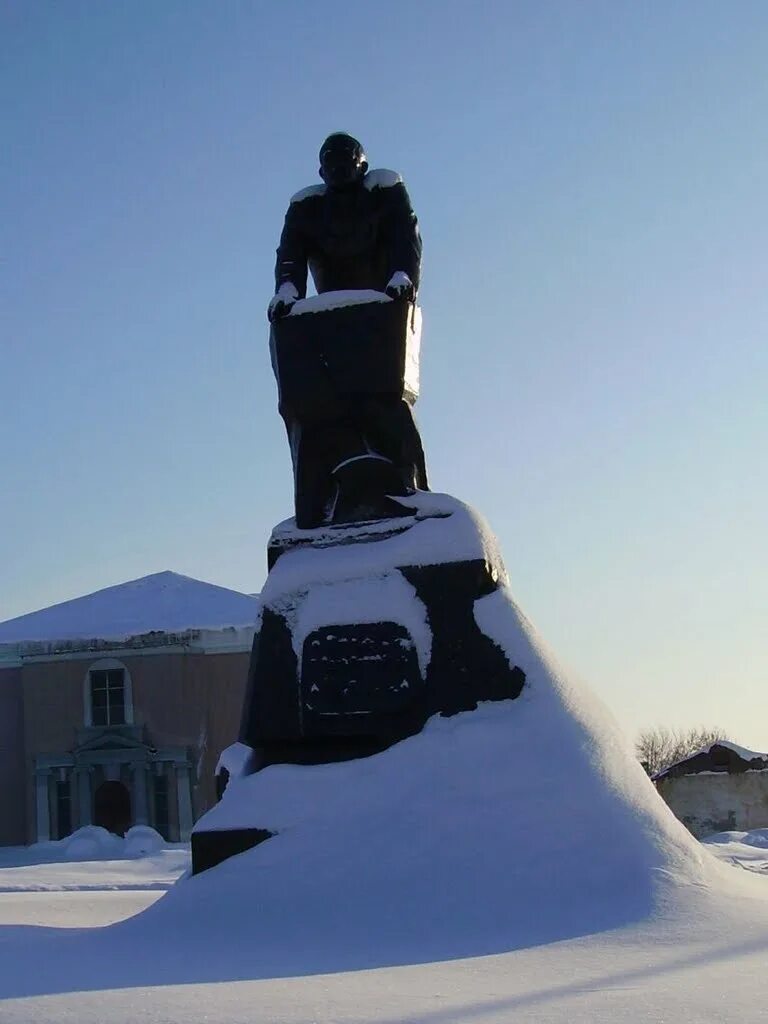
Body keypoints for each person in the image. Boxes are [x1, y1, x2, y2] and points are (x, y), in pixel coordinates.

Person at [268, 134, 428, 529]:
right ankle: (320, 497)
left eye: (348, 161)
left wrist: (402, 277)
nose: (340, 169)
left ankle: (404, 486)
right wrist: (288, 290)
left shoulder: (386, 191)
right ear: (321, 171)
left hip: (380, 310)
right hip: (327, 319)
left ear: (362, 164)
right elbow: (290, 253)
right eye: (331, 163)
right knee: (310, 404)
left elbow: (404, 239)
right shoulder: (307, 206)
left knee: (388, 403)